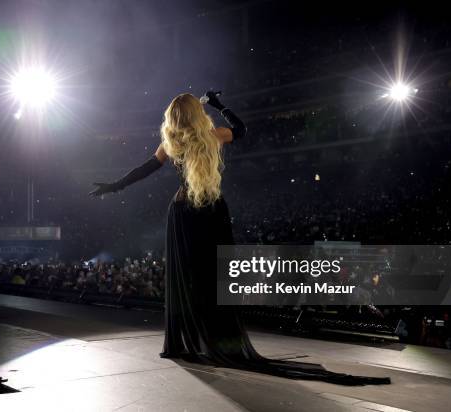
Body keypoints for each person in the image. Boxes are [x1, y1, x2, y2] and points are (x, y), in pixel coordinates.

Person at [91, 91, 390, 385]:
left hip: (182, 213)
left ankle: (188, 340)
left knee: (188, 278)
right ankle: (216, 338)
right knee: (213, 277)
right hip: (210, 210)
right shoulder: (214, 135)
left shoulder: (170, 144)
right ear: (197, 113)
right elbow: (242, 130)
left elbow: (145, 169)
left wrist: (114, 187)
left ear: (173, 118)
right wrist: (221, 105)